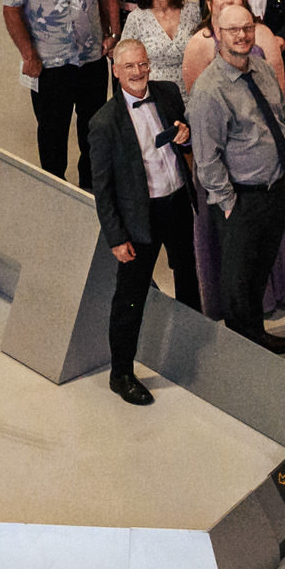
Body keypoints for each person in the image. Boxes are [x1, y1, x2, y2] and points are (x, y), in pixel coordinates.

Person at [86, 37, 200, 404]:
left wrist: (184, 139)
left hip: (178, 204)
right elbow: (101, 188)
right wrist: (116, 237)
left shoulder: (166, 93)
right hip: (140, 217)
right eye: (129, 67)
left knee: (188, 276)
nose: (138, 72)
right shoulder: (103, 123)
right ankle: (121, 373)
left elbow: (185, 143)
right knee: (130, 297)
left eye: (142, 64)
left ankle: (191, 352)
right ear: (116, 71)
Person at [186, 3, 285, 354]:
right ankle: (243, 352)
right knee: (239, 281)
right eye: (233, 30)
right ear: (218, 34)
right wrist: (229, 205)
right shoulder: (209, 89)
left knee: (259, 269)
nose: (242, 35)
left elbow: (280, 118)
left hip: (275, 189)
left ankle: (256, 335)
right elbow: (206, 158)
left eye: (247, 28)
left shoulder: (262, 69)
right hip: (242, 199)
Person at [1, 0, 118, 186]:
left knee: (94, 129)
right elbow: (11, 10)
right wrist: (29, 55)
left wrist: (112, 33)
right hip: (49, 64)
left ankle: (91, 188)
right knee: (52, 133)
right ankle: (55, 189)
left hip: (90, 58)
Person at [118, 0, 199, 92]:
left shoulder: (193, 11)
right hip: (157, 95)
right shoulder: (136, 19)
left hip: (194, 89)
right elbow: (125, 62)